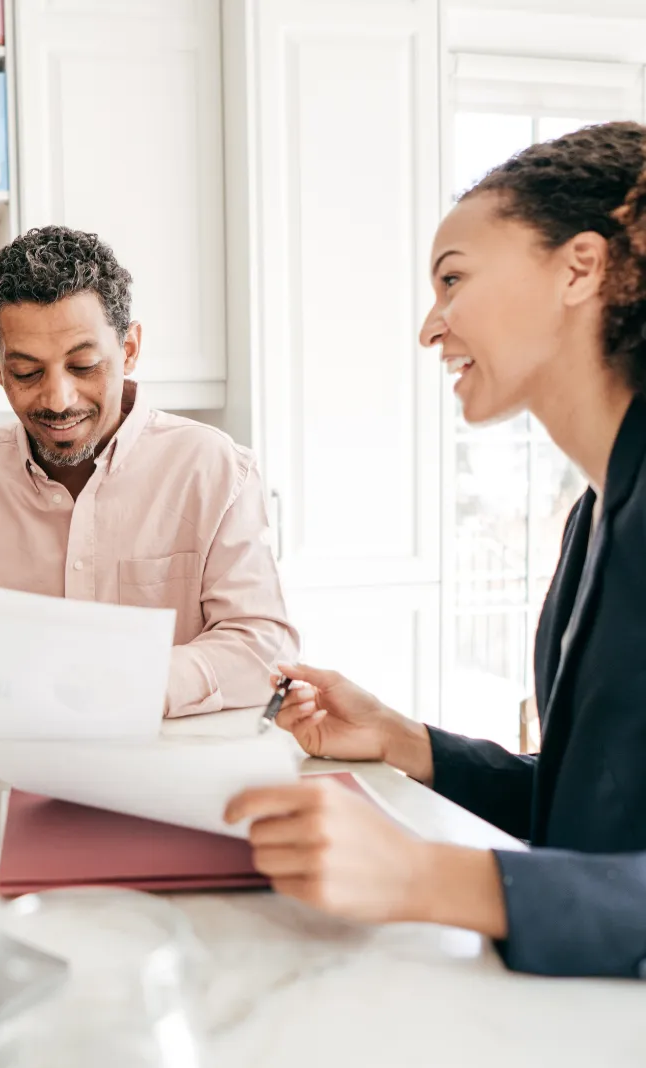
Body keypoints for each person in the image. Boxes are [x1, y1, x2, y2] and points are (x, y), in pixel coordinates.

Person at [225, 121, 646, 979]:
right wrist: (401, 739)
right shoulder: (594, 516)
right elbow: (595, 814)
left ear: (581, 267)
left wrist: (424, 874)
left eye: (453, 279)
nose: (430, 326)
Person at [0, 226, 298, 783]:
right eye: (27, 372)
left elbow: (260, 645)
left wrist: (138, 681)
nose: (58, 400)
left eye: (84, 366)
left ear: (128, 348)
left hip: (168, 781)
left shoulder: (216, 469)